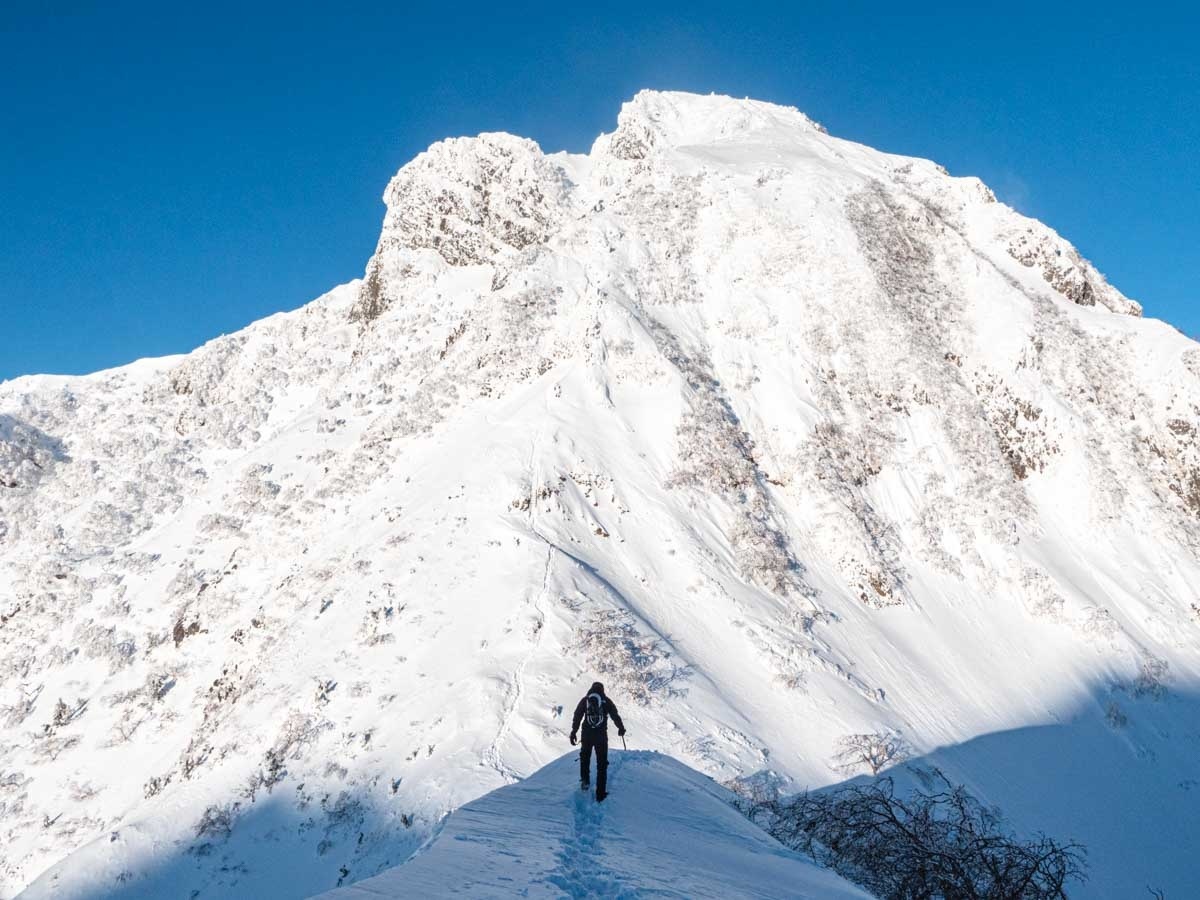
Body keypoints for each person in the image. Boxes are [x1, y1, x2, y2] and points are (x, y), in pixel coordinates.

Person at [569, 680, 625, 802]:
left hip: (586, 735)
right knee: (602, 764)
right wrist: (621, 728)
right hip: (601, 736)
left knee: (585, 758)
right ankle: (600, 794)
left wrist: (574, 731)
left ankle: (585, 782)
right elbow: (615, 715)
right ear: (602, 690)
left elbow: (577, 715)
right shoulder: (606, 701)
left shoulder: (585, 700)